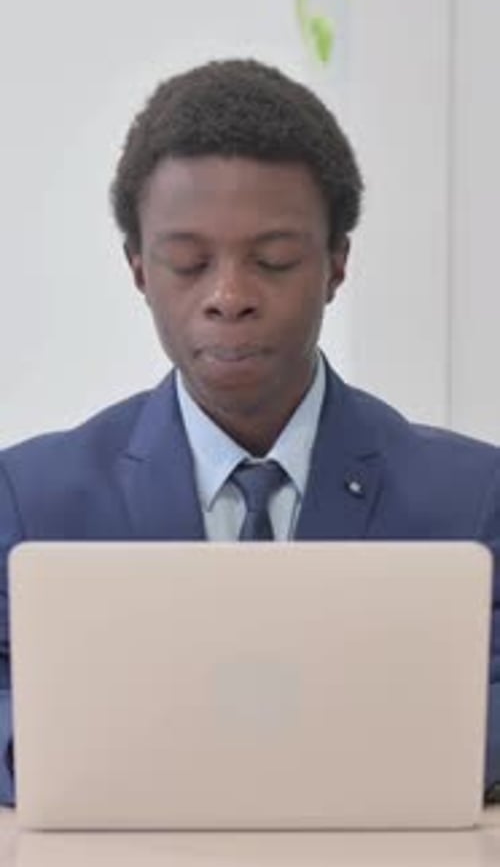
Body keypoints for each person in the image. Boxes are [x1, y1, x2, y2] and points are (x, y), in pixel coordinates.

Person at [0, 59, 499, 807]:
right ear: (139, 268)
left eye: (273, 260)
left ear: (336, 265)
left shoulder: (476, 497)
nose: (228, 297)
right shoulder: (31, 497)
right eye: (188, 262)